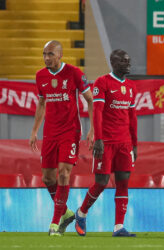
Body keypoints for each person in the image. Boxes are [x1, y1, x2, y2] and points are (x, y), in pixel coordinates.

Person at [29, 40, 94, 236]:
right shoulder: (40, 76)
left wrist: (92, 130)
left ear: (60, 55)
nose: (46, 58)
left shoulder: (74, 73)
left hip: (70, 131)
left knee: (64, 174)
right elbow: (41, 104)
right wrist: (34, 131)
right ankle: (65, 212)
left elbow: (90, 100)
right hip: (50, 132)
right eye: (44, 54)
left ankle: (55, 223)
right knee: (47, 178)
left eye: (50, 54)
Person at [75, 49, 138, 237]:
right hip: (107, 142)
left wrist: (135, 144)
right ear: (113, 62)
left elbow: (132, 117)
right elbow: (98, 112)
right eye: (123, 61)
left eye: (128, 60)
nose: (127, 64)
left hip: (125, 143)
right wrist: (99, 139)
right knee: (101, 182)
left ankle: (119, 227)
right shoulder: (102, 82)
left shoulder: (132, 86)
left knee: (123, 182)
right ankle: (82, 212)